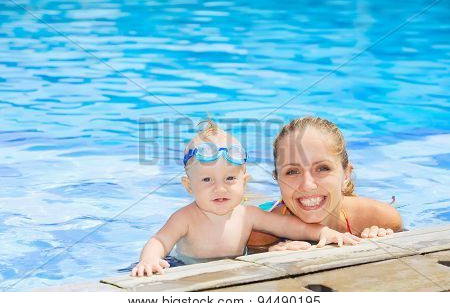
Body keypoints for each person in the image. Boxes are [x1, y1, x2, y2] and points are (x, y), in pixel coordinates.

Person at [131, 120, 360, 277]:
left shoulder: (247, 216)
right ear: (189, 186)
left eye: (229, 178)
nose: (219, 189)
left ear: (245, 181)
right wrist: (149, 260)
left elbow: (290, 226)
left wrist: (322, 233)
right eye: (207, 180)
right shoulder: (185, 218)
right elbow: (159, 241)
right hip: (184, 269)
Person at [248, 116, 403, 251]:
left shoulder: (380, 218)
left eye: (322, 168)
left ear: (346, 174)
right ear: (277, 179)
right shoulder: (262, 236)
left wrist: (380, 239)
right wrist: (269, 253)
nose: (307, 185)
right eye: (292, 171)